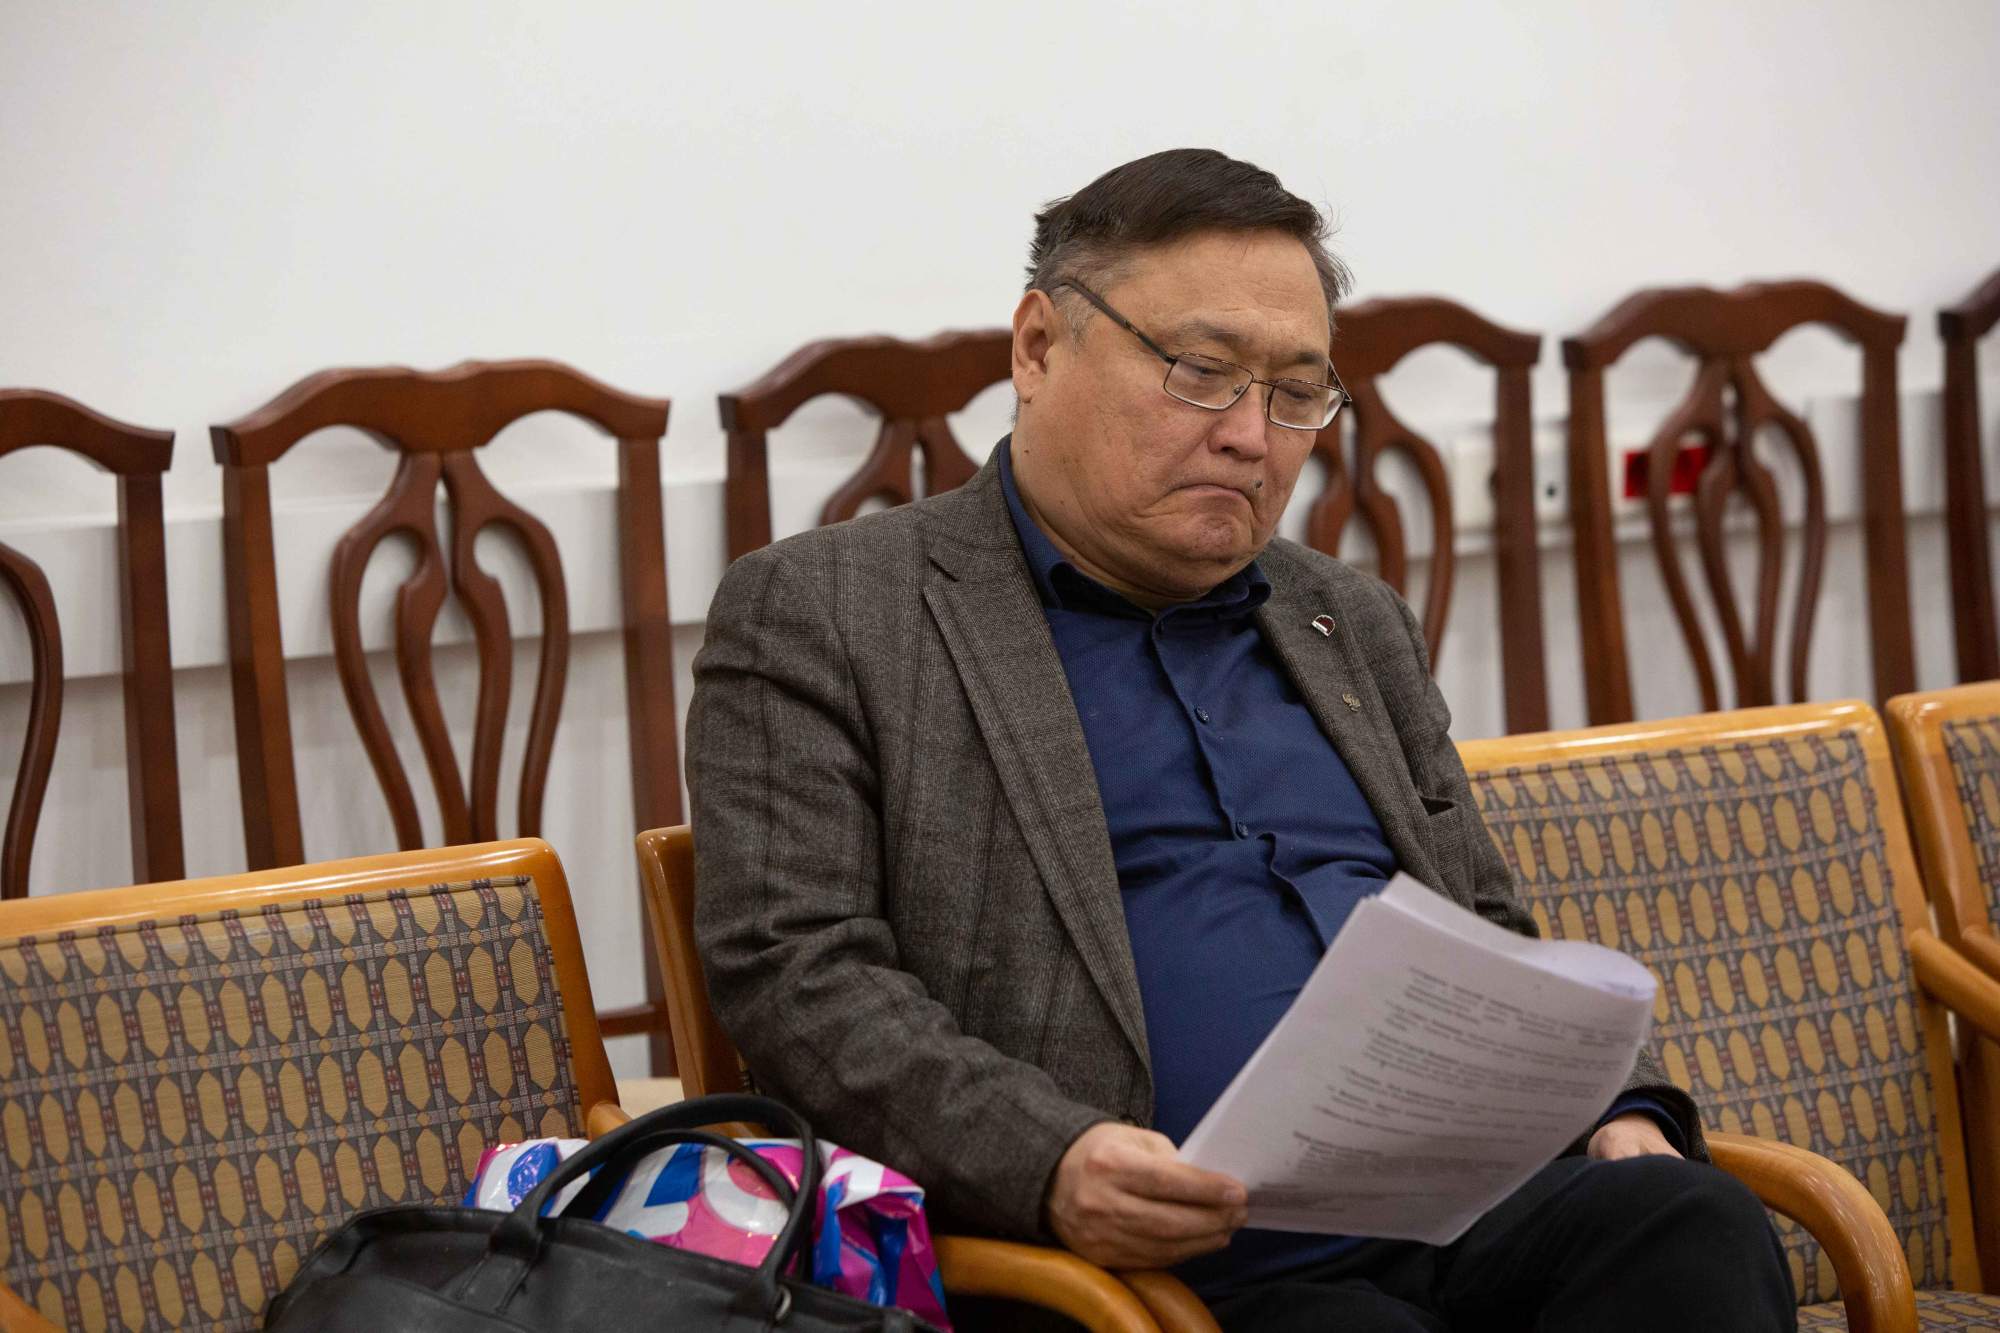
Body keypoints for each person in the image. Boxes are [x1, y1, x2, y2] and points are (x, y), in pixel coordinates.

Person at [687, 148, 1794, 1331]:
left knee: (1688, 1217)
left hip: (1453, 1208)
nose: (1250, 438)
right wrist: (1049, 1159)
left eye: (1294, 393)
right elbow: (799, 972)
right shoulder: (832, 611)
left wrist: (1614, 1105)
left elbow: (1481, 922)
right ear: (1037, 347)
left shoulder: (1347, 619)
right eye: (1202, 374)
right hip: (1142, 1270)